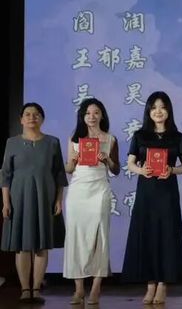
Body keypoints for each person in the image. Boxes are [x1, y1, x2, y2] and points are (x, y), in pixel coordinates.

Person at [121, 91, 182, 304]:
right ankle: (150, 284)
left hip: (167, 192)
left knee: (167, 236)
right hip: (146, 192)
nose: (158, 111)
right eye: (154, 107)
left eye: (162, 107)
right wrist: (141, 170)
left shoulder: (178, 137)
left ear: (168, 110)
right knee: (148, 235)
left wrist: (172, 170)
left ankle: (163, 285)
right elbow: (130, 163)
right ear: (148, 111)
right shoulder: (140, 136)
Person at [1, 103, 68, 304]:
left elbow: (59, 174)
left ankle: (37, 288)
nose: (32, 117)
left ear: (42, 119)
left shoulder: (52, 142)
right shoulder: (12, 143)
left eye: (36, 114)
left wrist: (59, 200)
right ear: (21, 119)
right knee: (22, 246)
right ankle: (25, 289)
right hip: (19, 199)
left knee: (41, 245)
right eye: (28, 114)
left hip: (45, 198)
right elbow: (6, 175)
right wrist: (6, 202)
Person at [63, 98, 120, 305]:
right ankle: (79, 289)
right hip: (78, 191)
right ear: (82, 116)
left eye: (96, 112)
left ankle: (96, 288)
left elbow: (116, 169)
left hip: (99, 190)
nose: (92, 116)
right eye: (87, 113)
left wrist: (107, 159)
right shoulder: (74, 139)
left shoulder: (110, 139)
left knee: (100, 237)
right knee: (76, 237)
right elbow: (69, 169)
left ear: (102, 115)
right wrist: (74, 161)